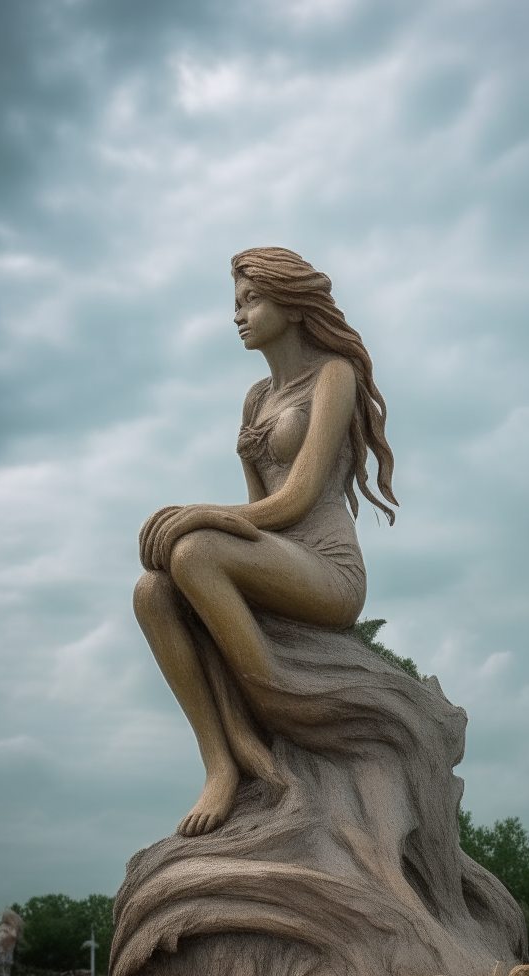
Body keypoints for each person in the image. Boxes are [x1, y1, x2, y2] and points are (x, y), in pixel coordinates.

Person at [133, 247, 397, 837]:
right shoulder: (256, 399)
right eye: (236, 302)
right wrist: (205, 520)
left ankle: (274, 711)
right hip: (276, 556)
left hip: (326, 567)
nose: (238, 315)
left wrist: (197, 515)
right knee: (153, 590)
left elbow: (295, 501)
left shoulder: (334, 375)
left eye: (251, 300)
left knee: (194, 549)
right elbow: (258, 511)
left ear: (293, 303)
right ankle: (221, 764)